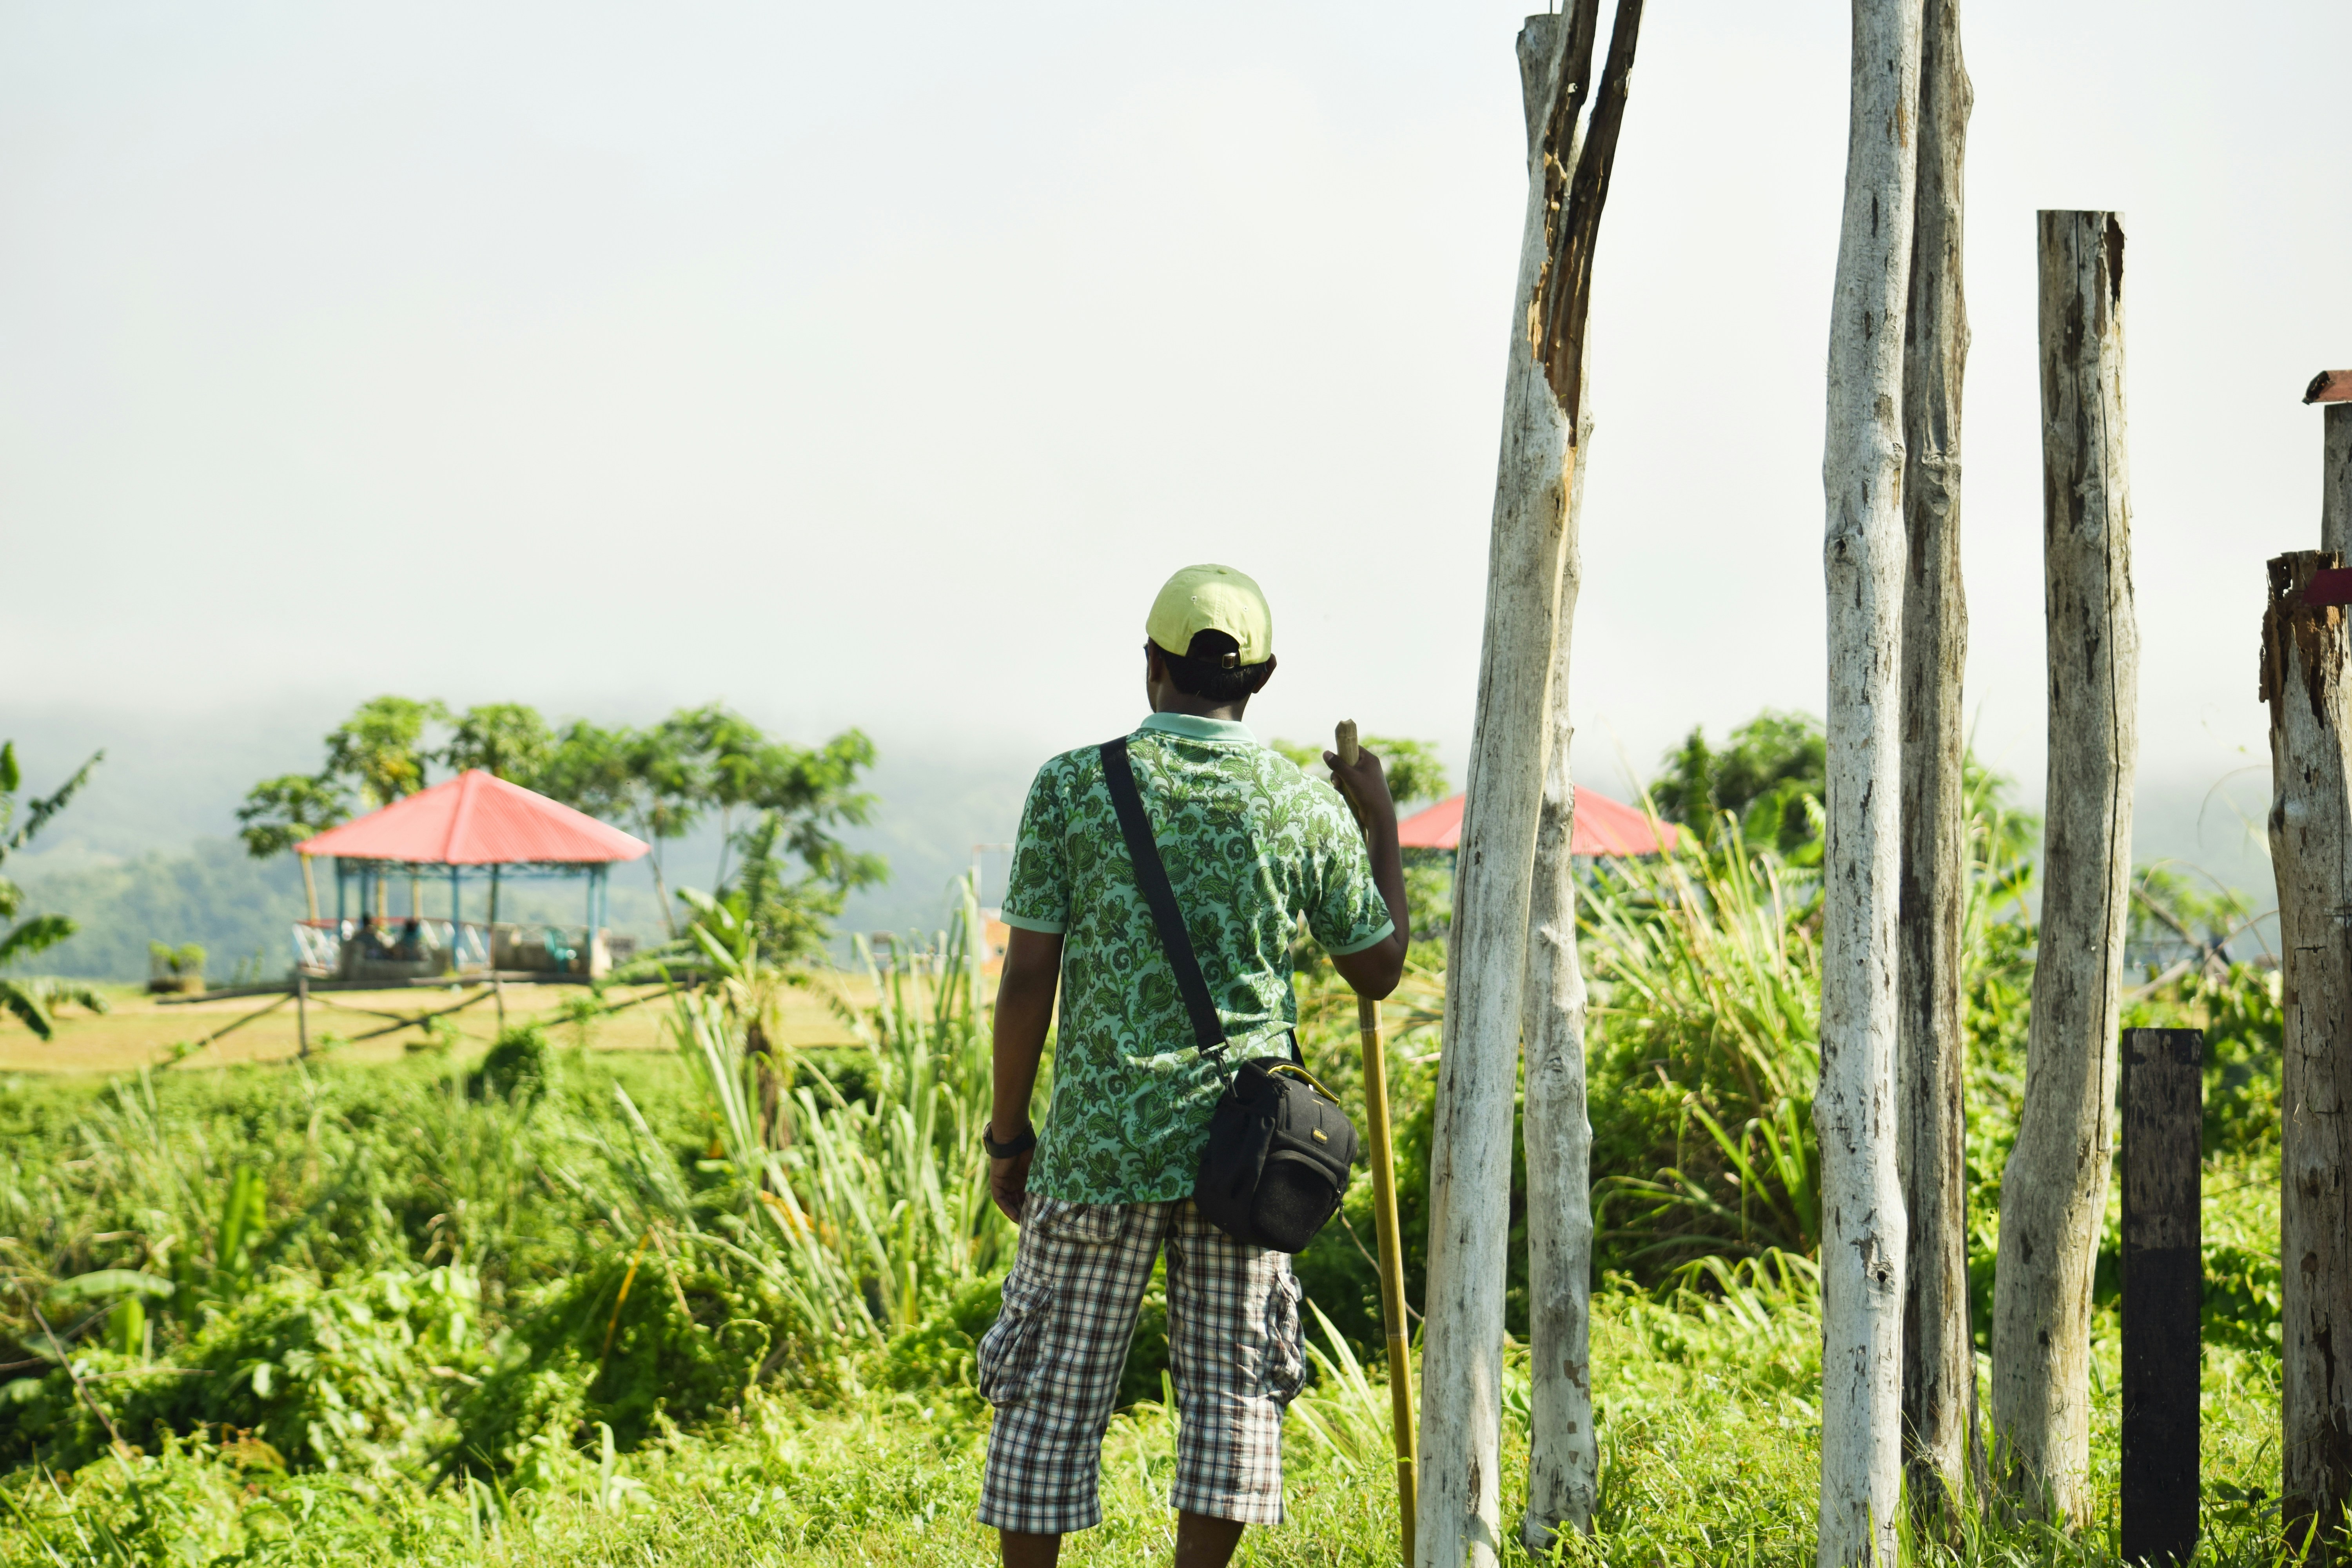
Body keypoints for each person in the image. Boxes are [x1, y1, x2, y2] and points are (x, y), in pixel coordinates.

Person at [976, 563, 1410, 1568]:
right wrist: (1376, 818)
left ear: (1152, 666)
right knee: (1231, 1394)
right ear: (1261, 677)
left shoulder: (1073, 786)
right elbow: (1379, 967)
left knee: (1050, 1390)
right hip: (1248, 1155)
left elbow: (1027, 979)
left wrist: (1010, 1133)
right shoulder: (1299, 804)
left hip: (1096, 1143)